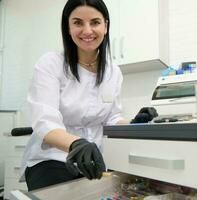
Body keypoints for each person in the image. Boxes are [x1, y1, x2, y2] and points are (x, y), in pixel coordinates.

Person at [20, 0, 157, 191]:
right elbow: (45, 122)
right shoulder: (51, 64)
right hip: (52, 158)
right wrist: (77, 144)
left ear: (105, 26)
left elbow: (112, 117)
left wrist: (135, 123)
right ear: (68, 27)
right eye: (78, 23)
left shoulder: (113, 72)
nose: (87, 31)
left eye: (94, 22)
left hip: (92, 159)